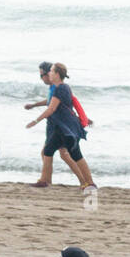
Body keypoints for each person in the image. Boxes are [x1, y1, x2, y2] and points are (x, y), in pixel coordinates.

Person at [27, 62, 96, 193]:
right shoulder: (60, 88)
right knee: (47, 151)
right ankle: (44, 180)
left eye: (50, 72)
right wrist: (34, 106)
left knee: (75, 155)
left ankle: (89, 183)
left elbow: (52, 108)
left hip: (66, 129)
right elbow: (64, 104)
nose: (47, 75)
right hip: (60, 128)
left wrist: (35, 121)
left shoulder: (60, 88)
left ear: (57, 74)